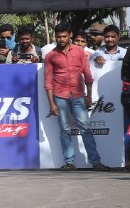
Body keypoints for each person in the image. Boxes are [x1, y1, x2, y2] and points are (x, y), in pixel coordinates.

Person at [45, 23, 111, 172]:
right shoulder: (51, 56)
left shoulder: (79, 52)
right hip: (60, 96)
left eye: (64, 36)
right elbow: (48, 82)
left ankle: (95, 162)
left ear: (70, 36)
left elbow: (87, 74)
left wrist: (89, 96)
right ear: (55, 37)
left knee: (86, 129)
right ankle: (69, 162)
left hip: (78, 95)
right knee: (65, 130)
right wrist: (51, 104)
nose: (61, 39)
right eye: (58, 37)